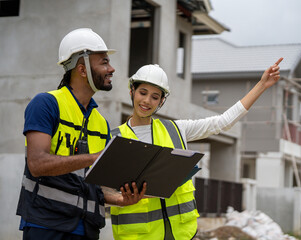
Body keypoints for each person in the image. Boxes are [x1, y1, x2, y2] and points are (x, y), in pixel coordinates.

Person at [110, 58, 283, 239]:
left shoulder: (177, 130)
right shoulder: (114, 139)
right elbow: (100, 191)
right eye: (142, 92)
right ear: (132, 91)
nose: (147, 101)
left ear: (161, 101)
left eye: (155, 97)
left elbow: (222, 123)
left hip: (182, 235)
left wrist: (262, 85)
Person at [16, 28, 146, 240]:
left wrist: (121, 199)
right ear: (82, 70)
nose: (111, 68)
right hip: (46, 226)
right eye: (104, 62)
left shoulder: (100, 123)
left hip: (86, 229)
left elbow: (92, 185)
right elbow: (37, 164)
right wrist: (96, 157)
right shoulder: (46, 104)